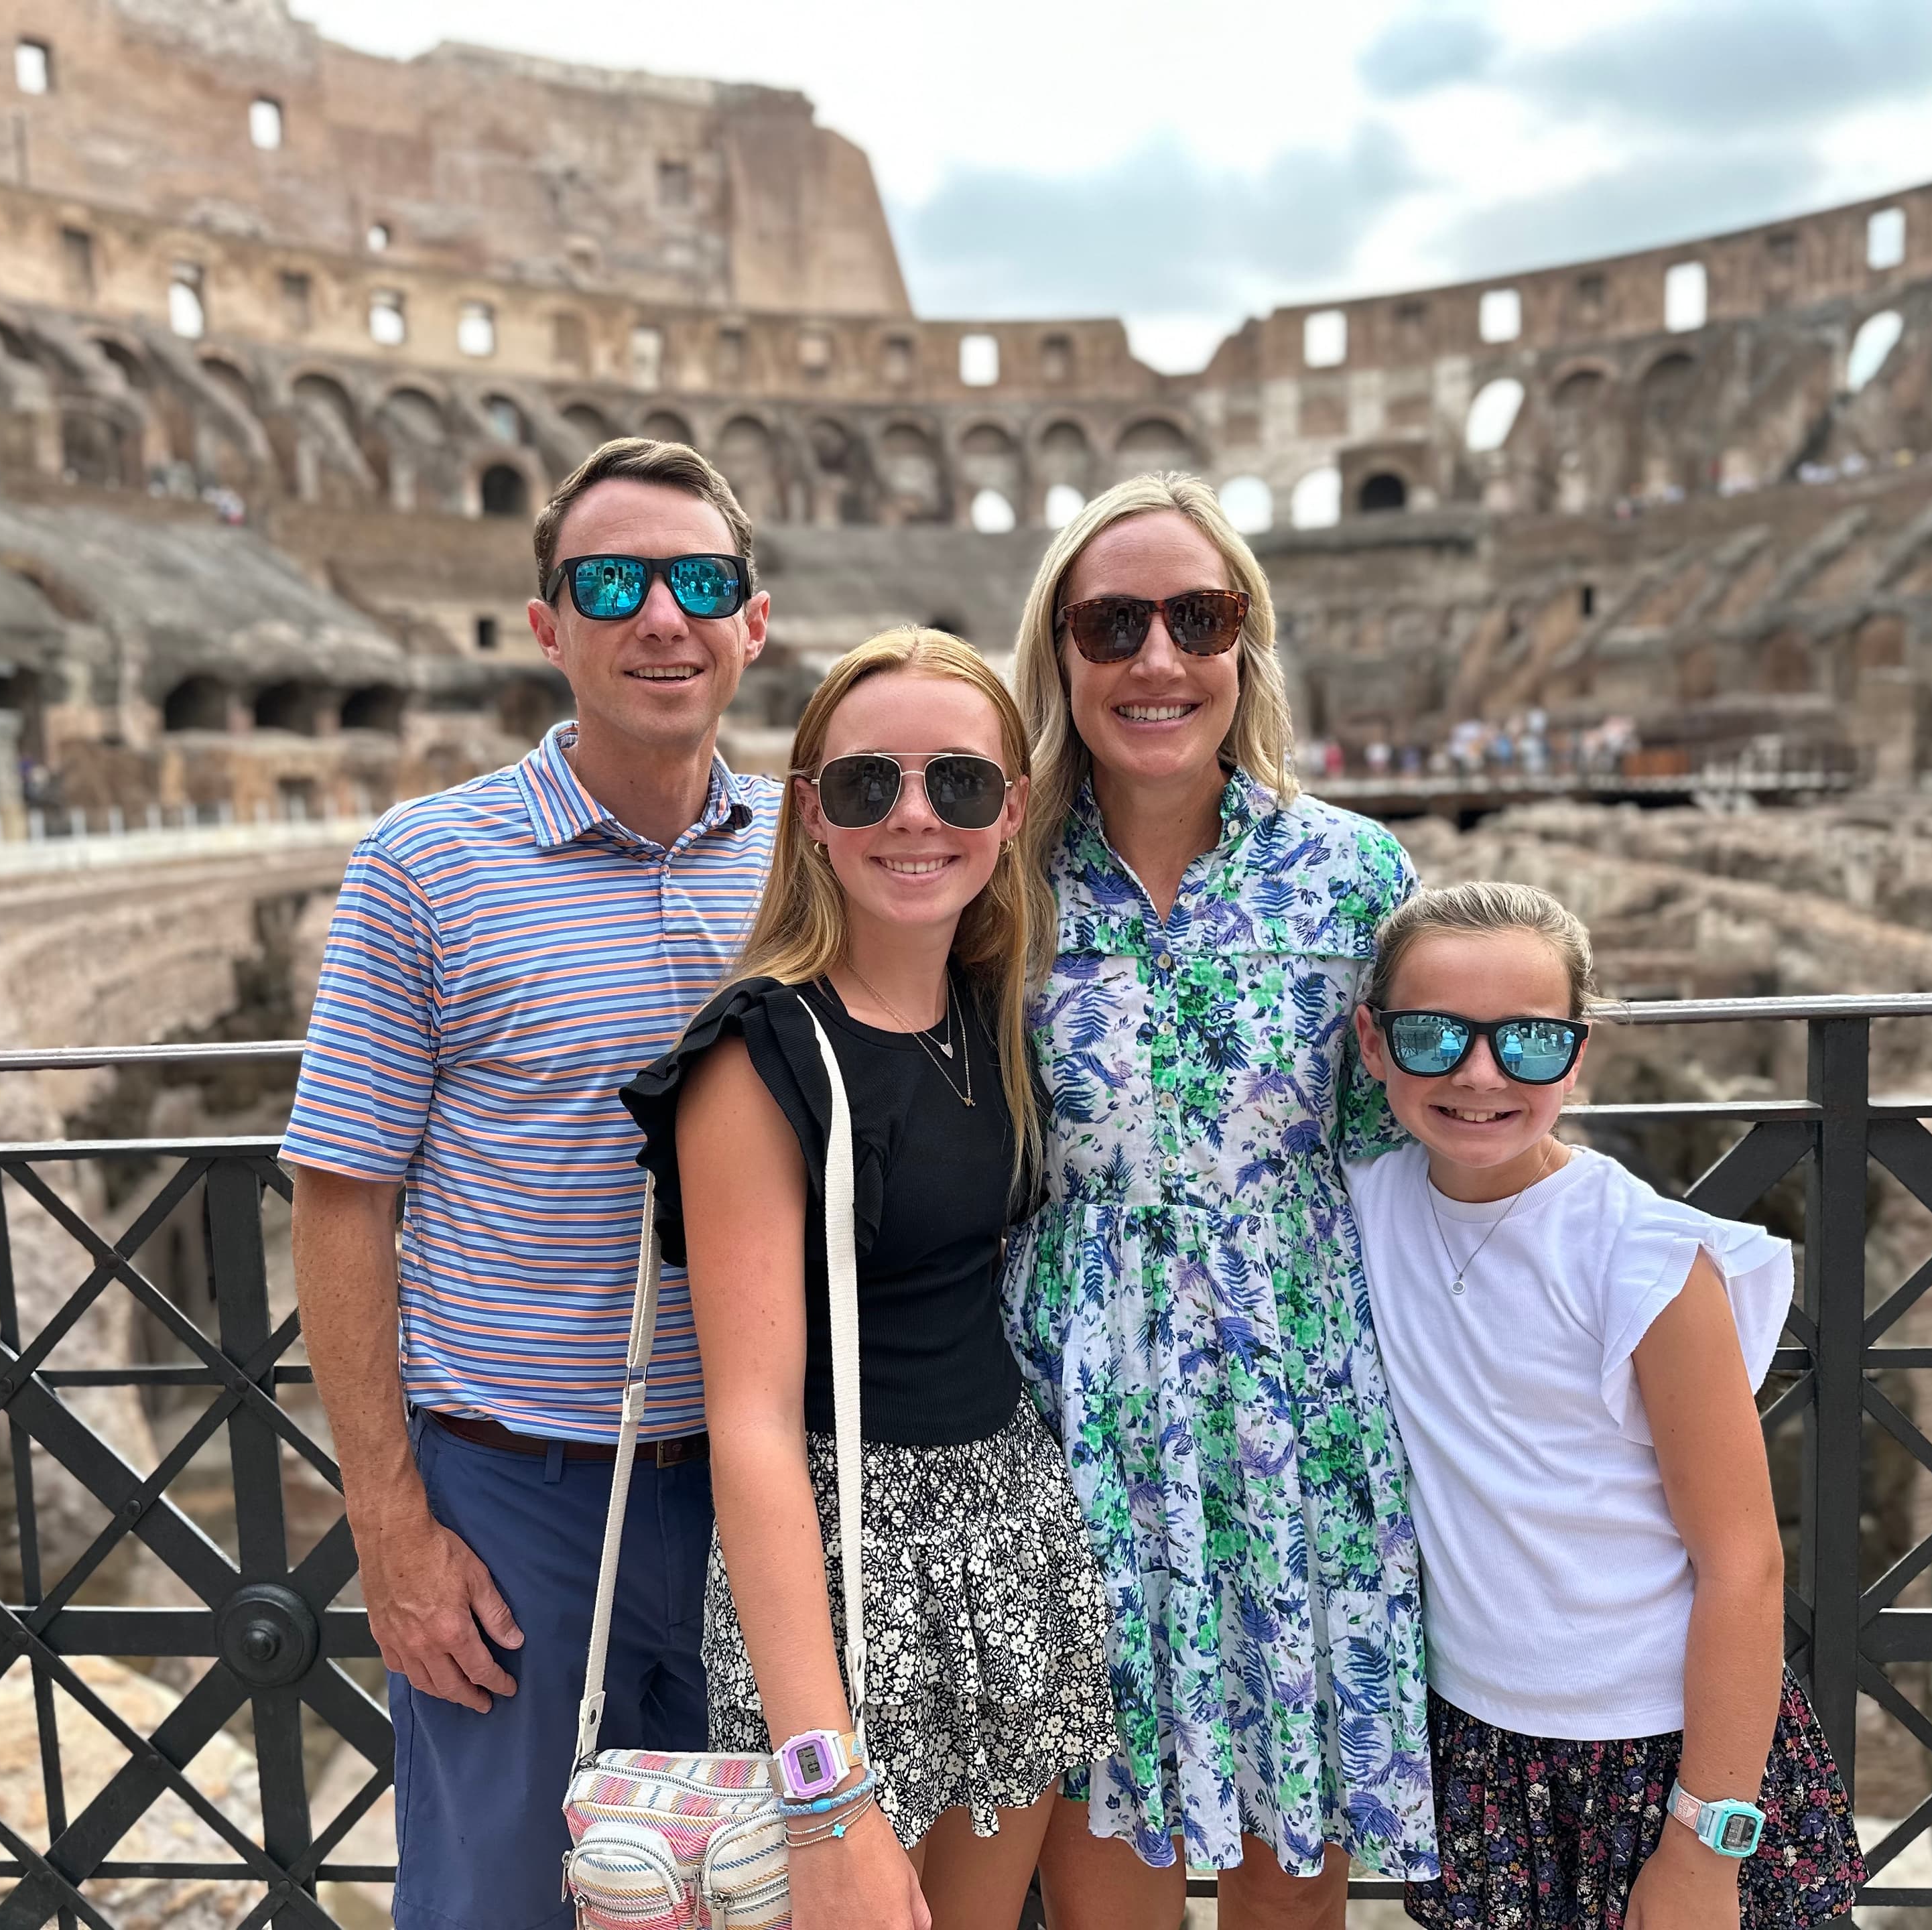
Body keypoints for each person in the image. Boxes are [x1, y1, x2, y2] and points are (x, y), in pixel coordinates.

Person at [281, 439, 775, 1930]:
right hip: (516, 1489)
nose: (661, 618)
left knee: (756, 1894)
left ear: (755, 621)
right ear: (547, 623)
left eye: (701, 581)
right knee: (502, 1898)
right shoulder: (425, 867)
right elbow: (339, 1197)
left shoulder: (814, 857)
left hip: (771, 1481)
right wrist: (388, 1523)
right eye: (612, 583)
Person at [621, 629, 1114, 1930]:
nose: (912, 816)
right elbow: (751, 1423)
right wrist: (823, 1787)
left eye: (957, 784)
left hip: (1011, 1536)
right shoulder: (760, 1054)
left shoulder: (983, 1010)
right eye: (864, 786)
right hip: (851, 1572)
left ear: (1011, 812)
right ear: (812, 818)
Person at [1002, 472, 1435, 1928]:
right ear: (1060, 654)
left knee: (1284, 1884)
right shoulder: (996, 880)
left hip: (1291, 1414)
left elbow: (1411, 1143)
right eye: (1112, 623)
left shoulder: (1354, 874)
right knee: (1098, 1852)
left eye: (1202, 616)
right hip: (1068, 1412)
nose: (1158, 659)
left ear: (1247, 643)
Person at [1341, 882, 1865, 1930]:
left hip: (1663, 1754)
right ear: (1373, 1044)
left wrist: (1706, 1844)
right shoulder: (1359, 1204)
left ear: (1578, 1056)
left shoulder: (1647, 1260)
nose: (1481, 1074)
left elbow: (1743, 1563)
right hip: (1479, 1743)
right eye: (1435, 1035)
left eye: (1529, 1043)